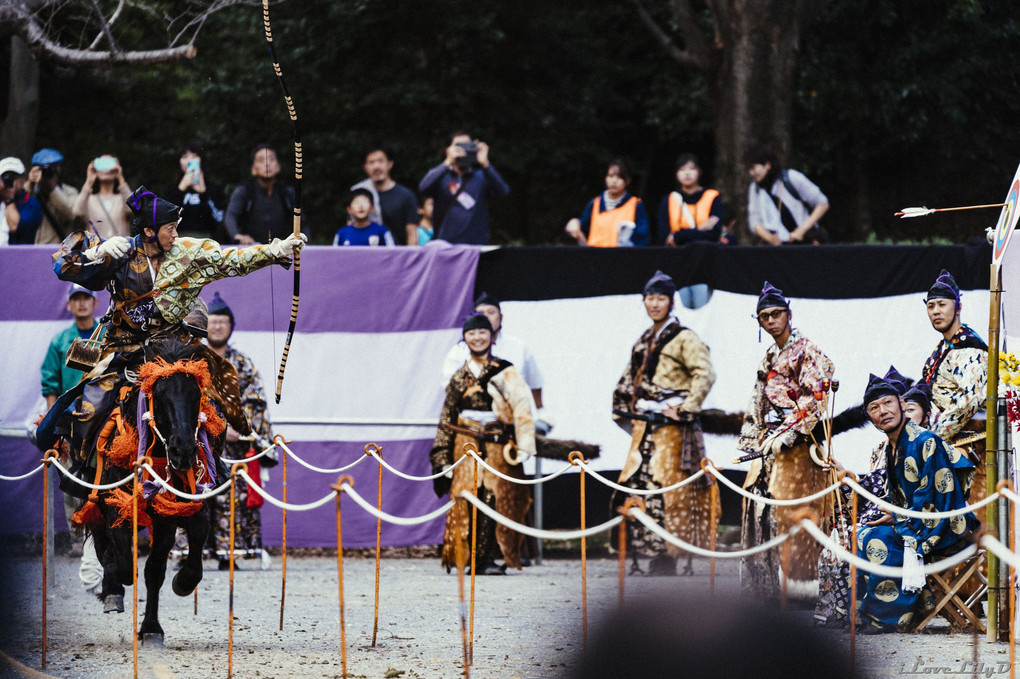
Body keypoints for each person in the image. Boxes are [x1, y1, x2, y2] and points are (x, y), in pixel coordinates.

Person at [36, 186, 305, 485]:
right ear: (149, 231)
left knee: (209, 402)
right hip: (122, 349)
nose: (176, 234)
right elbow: (62, 265)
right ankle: (85, 473)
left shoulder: (188, 252)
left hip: (171, 349)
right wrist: (95, 254)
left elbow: (233, 259)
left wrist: (275, 250)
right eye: (170, 228)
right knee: (90, 409)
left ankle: (213, 460)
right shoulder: (120, 252)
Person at [611, 271, 718, 576]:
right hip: (646, 423)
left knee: (670, 488)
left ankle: (669, 553)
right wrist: (623, 408)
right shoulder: (644, 339)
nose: (654, 303)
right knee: (640, 484)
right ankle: (646, 550)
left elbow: (705, 373)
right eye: (650, 298)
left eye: (661, 298)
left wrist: (686, 408)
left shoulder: (685, 337)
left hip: (672, 428)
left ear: (672, 302)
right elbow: (628, 379)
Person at [854, 374, 979, 633]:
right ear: (870, 418)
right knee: (861, 532)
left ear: (901, 403)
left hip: (947, 526)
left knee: (879, 538)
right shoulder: (892, 446)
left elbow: (936, 497)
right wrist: (894, 514)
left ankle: (886, 617)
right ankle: (865, 611)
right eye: (874, 408)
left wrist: (898, 517)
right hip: (917, 521)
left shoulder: (925, 440)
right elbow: (903, 497)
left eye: (888, 403)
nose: (883, 412)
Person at [737, 281, 834, 600]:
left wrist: (787, 433)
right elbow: (757, 401)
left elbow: (816, 398)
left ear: (788, 313)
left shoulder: (807, 349)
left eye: (776, 313)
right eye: (764, 316)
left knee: (795, 513)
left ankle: (803, 590)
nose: (771, 321)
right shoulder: (769, 356)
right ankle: (764, 589)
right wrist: (753, 441)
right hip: (768, 446)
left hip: (800, 446)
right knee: (759, 510)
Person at [430, 312, 535, 575]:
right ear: (465, 338)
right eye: (471, 333)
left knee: (495, 498)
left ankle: (487, 557)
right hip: (465, 445)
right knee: (466, 497)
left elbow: (522, 408)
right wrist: (441, 455)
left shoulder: (506, 370)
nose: (477, 337)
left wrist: (524, 444)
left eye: (482, 332)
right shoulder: (459, 377)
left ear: (492, 335)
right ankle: (466, 556)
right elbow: (447, 416)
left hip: (498, 445)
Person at [205, 292, 276, 571]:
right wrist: (216, 427)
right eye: (213, 321)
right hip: (200, 445)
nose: (217, 327)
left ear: (230, 326)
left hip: (234, 448)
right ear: (204, 325)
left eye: (223, 322)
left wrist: (239, 428)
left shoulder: (243, 363)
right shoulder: (193, 359)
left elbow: (256, 400)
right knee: (195, 495)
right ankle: (191, 553)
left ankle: (230, 552)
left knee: (232, 497)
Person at [40, 283, 101, 561]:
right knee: (70, 482)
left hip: (103, 423)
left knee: (105, 481)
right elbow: (50, 383)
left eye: (86, 297)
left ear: (95, 302)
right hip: (70, 425)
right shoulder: (60, 341)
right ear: (68, 305)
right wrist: (55, 424)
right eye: (76, 298)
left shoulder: (108, 335)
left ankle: (104, 538)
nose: (81, 303)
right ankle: (78, 540)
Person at [441, 292, 546, 414]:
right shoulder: (459, 351)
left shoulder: (518, 347)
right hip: (471, 420)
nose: (486, 317)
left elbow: (535, 381)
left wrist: (541, 412)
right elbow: (449, 387)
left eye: (491, 312)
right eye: (481, 314)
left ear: (500, 318)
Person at [418, 131, 509, 245]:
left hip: (475, 247)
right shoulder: (440, 176)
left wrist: (485, 163)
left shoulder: (481, 176)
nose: (463, 151)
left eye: (467, 146)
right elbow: (423, 188)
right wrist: (447, 162)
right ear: (448, 150)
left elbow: (503, 191)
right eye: (458, 147)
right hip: (446, 246)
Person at [745, 146, 829, 245]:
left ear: (767, 165)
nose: (751, 173)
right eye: (749, 169)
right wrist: (769, 237)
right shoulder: (755, 188)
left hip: (806, 241)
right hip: (780, 247)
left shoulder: (791, 178)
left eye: (753, 168)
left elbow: (822, 203)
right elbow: (754, 220)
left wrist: (801, 230)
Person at [224, 144, 301, 244]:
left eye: (271, 159)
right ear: (253, 169)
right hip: (250, 250)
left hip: (281, 251)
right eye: (261, 160)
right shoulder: (244, 191)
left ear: (278, 166)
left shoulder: (287, 193)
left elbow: (302, 223)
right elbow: (230, 216)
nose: (267, 164)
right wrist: (237, 235)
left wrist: (307, 247)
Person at [564, 159, 650, 247]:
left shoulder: (636, 205)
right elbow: (580, 228)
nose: (614, 181)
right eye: (611, 176)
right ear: (606, 178)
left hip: (622, 258)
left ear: (627, 180)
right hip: (595, 258)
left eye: (619, 177)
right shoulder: (595, 203)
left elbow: (643, 238)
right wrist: (574, 223)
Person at [350, 141, 419, 245]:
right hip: (366, 257)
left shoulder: (406, 196)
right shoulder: (358, 194)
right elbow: (351, 229)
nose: (376, 166)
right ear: (365, 167)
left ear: (390, 164)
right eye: (371, 162)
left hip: (397, 257)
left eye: (380, 161)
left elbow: (412, 235)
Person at [657, 153, 725, 246]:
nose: (687, 173)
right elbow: (664, 237)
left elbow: (715, 234)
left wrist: (678, 236)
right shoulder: (669, 200)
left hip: (706, 253)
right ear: (676, 174)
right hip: (677, 255)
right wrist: (699, 230)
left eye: (692, 169)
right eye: (682, 169)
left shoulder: (712, 197)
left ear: (699, 171)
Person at [164, 141, 226, 240]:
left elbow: (218, 219)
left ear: (201, 160)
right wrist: (180, 190)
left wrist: (203, 194)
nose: (189, 161)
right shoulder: (171, 190)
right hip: (177, 241)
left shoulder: (213, 188)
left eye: (194, 157)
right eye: (184, 157)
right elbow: (165, 219)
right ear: (179, 162)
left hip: (206, 241)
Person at [72, 154, 133, 239]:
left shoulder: (122, 198)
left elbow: (133, 208)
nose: (106, 169)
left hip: (122, 251)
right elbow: (77, 212)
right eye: (101, 165)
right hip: (96, 251)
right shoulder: (89, 199)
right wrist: (89, 181)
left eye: (110, 164)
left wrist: (120, 178)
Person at [28, 148, 78, 245]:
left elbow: (70, 215)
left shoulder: (70, 192)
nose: (47, 172)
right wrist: (29, 185)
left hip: (57, 251)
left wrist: (52, 189)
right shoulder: (29, 190)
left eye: (51, 168)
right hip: (31, 250)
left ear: (58, 169)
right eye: (43, 169)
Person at [2, 156, 43, 245]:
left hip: (20, 256)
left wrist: (9, 197)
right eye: (5, 177)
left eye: (14, 177)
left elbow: (14, 227)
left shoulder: (32, 205)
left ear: (24, 178)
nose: (11, 182)